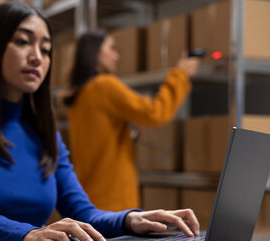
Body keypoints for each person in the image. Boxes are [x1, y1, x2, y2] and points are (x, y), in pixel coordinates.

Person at [0, 1, 200, 241]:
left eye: (45, 49)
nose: (37, 57)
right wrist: (28, 234)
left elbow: (83, 212)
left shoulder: (45, 134)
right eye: (22, 42)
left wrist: (130, 219)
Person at [64, 31, 199, 212]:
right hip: (114, 202)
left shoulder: (79, 94)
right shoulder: (105, 85)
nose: (117, 56)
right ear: (93, 52)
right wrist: (180, 75)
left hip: (90, 197)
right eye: (111, 48)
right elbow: (155, 112)